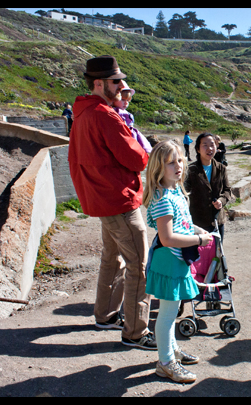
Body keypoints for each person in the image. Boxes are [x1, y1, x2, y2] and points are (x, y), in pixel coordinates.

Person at [68, 55, 156, 350]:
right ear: (99, 83)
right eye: (116, 81)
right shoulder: (105, 115)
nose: (121, 86)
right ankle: (136, 331)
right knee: (139, 266)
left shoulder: (82, 112)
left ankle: (105, 315)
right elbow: (136, 157)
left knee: (112, 258)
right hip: (119, 199)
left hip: (102, 198)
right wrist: (144, 154)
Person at [143, 140, 212, 383]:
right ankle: (165, 363)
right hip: (168, 262)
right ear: (158, 167)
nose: (178, 165)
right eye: (171, 162)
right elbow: (168, 237)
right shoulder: (163, 198)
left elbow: (179, 225)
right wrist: (198, 240)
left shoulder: (175, 192)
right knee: (167, 314)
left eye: (180, 160)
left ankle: (171, 352)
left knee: (170, 313)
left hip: (175, 261)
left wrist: (196, 229)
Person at [184, 133, 232, 242]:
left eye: (212, 145)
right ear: (198, 149)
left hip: (217, 220)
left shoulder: (221, 168)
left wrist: (221, 200)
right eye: (205, 145)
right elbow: (184, 194)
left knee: (217, 254)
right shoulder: (190, 170)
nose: (209, 148)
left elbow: (227, 190)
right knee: (200, 256)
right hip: (198, 222)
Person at [112, 81, 152, 155]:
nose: (126, 103)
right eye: (123, 99)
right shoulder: (114, 112)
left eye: (128, 100)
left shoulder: (124, 113)